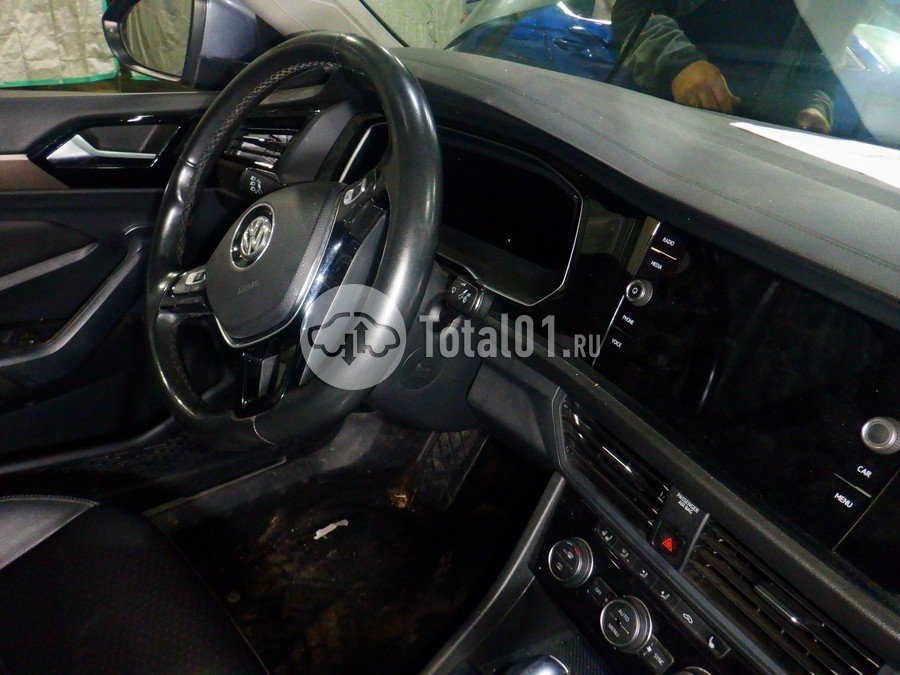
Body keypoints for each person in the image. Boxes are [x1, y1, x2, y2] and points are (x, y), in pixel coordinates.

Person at [611, 0, 836, 133]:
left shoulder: (827, 8)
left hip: (758, 149)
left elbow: (820, 64)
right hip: (660, 128)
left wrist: (815, 105)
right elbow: (631, 15)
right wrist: (680, 65)